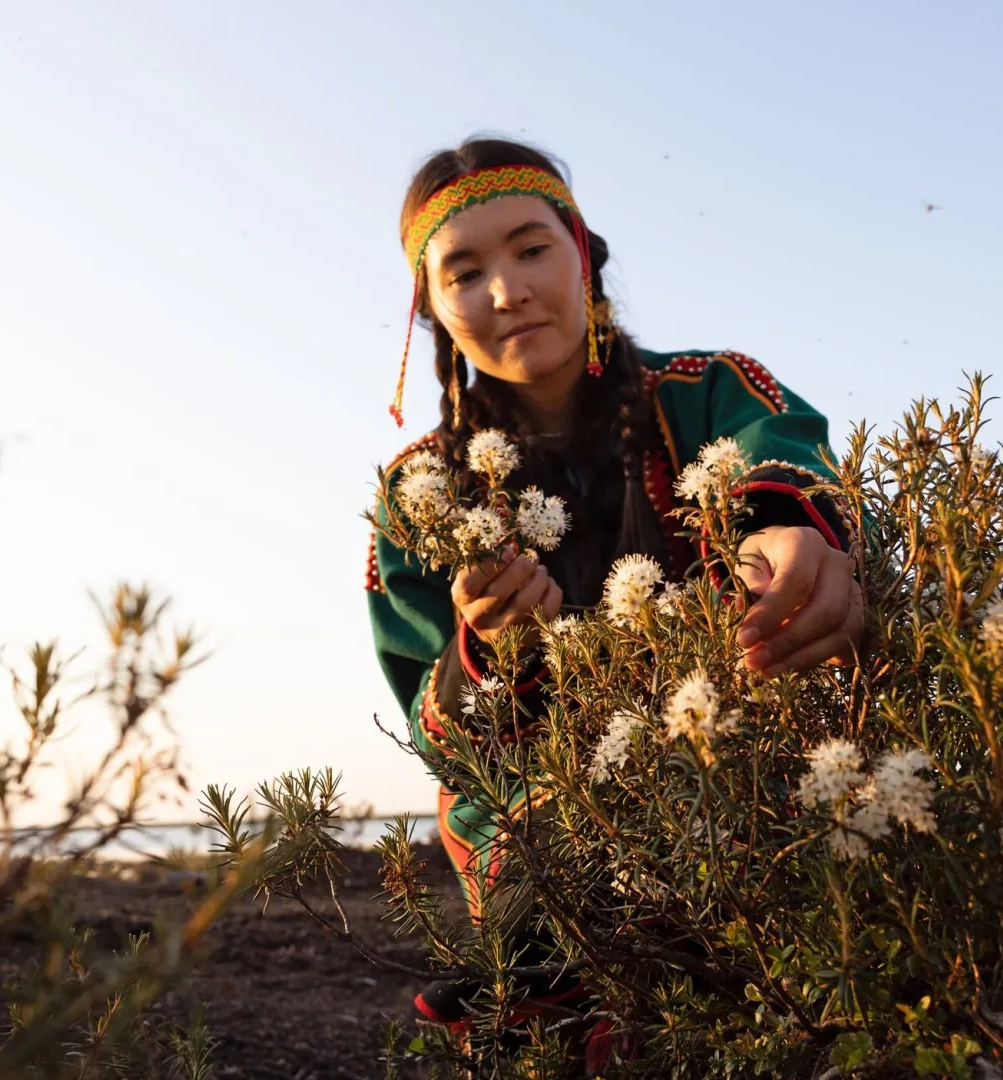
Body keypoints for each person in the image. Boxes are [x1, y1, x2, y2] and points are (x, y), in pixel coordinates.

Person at [365, 137, 862, 1049]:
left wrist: (791, 535)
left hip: (750, 778)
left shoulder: (709, 393)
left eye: (530, 248)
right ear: (430, 309)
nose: (507, 291)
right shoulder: (420, 493)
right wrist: (486, 652)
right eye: (464, 271)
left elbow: (781, 454)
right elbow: (438, 732)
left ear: (582, 253)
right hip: (544, 830)